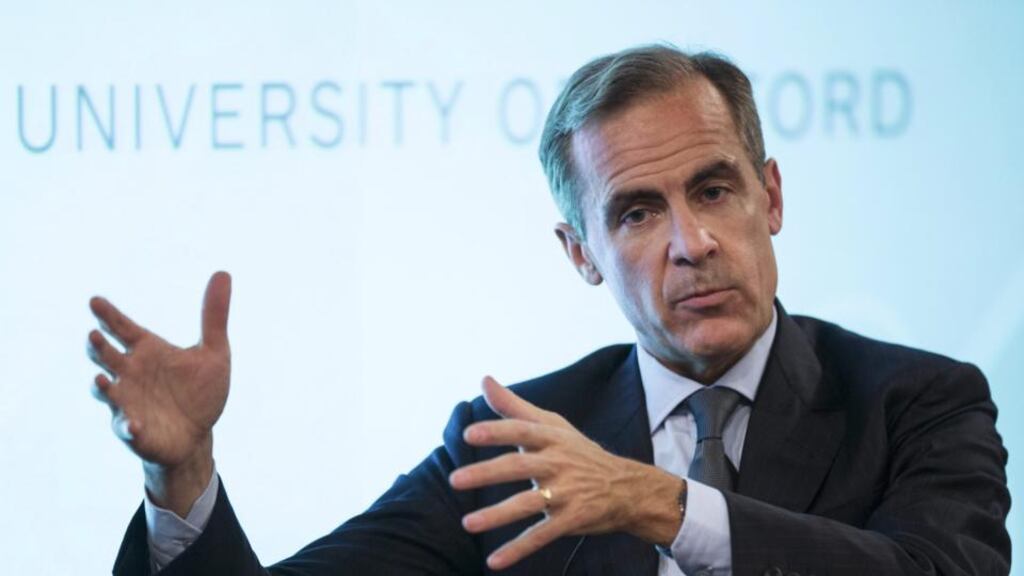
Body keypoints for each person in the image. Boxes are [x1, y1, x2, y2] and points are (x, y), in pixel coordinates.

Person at [88, 45, 1011, 576]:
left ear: (770, 197)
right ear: (580, 255)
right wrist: (184, 479)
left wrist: (655, 501)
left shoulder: (916, 402)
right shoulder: (516, 442)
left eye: (715, 189)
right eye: (638, 213)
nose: (690, 242)